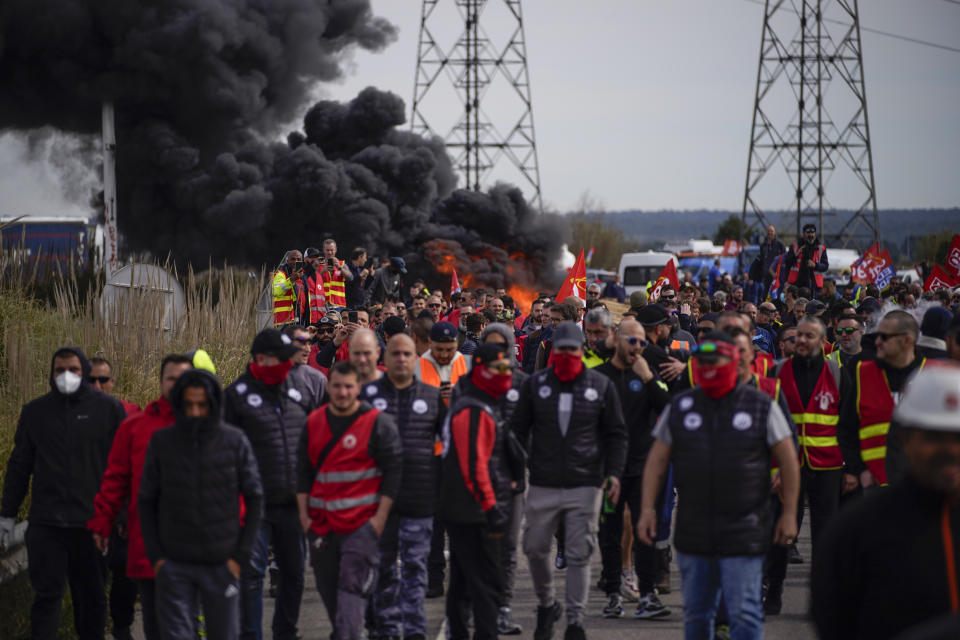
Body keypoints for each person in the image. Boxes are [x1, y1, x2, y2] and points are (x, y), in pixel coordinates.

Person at [638, 333, 800, 640]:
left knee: (745, 612)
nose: (710, 366)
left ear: (735, 362)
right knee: (698, 614)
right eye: (704, 361)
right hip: (694, 531)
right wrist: (647, 509)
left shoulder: (761, 405)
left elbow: (788, 460)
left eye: (717, 360)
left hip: (745, 528)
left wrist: (789, 513)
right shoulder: (682, 406)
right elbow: (656, 462)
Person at [812, 365, 960, 640]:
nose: (950, 450)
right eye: (934, 437)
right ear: (904, 439)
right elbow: (833, 619)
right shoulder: (855, 530)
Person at [510, 321, 628, 639]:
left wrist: (612, 473)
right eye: (561, 350)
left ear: (581, 350)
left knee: (579, 553)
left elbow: (616, 434)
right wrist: (527, 459)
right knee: (534, 548)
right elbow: (517, 430)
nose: (566, 355)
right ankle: (547, 604)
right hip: (544, 482)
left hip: (584, 484)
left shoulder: (600, 385)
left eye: (572, 350)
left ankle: (575, 621)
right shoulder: (536, 386)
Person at [0, 347, 126, 640]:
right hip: (47, 524)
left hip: (92, 526)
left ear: (83, 372)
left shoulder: (108, 411)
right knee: (47, 597)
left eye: (74, 370)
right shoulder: (36, 413)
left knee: (92, 599)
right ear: (51, 373)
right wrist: (7, 514)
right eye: (60, 370)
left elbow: (122, 468)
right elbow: (20, 466)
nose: (66, 376)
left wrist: (119, 517)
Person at [139, 369, 264, 640]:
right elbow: (146, 500)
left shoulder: (234, 441)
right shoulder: (162, 443)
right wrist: (157, 558)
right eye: (188, 405)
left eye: (202, 404)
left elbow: (255, 498)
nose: (195, 412)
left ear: (213, 405)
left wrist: (239, 557)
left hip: (222, 564)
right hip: (175, 564)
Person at [88, 354, 195, 640]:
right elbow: (115, 479)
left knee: (188, 622)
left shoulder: (211, 427)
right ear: (160, 383)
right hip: (150, 545)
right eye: (171, 378)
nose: (177, 384)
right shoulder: (135, 427)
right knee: (156, 625)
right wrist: (103, 521)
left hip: (199, 544)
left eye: (183, 378)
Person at [295, 362, 402, 640]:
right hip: (321, 530)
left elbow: (393, 473)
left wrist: (379, 520)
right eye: (337, 386)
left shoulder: (378, 423)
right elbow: (303, 472)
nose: (342, 392)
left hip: (361, 528)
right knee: (331, 595)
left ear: (359, 388)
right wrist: (305, 518)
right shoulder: (314, 422)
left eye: (348, 386)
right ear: (328, 387)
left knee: (351, 591)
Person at [224, 329, 318, 640]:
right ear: (260, 359)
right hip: (255, 503)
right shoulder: (236, 396)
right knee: (251, 574)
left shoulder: (297, 386)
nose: (288, 363)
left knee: (293, 574)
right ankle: (250, 634)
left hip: (292, 500)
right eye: (281, 358)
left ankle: (285, 632)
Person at [362, 335, 445, 640]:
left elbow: (447, 447)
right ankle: (385, 630)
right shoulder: (367, 395)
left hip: (419, 500)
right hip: (377, 503)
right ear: (385, 358)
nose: (400, 359)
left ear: (416, 359)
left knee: (414, 571)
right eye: (395, 353)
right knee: (382, 570)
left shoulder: (432, 397)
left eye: (407, 354)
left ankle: (414, 631)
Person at [451, 323, 529, 634]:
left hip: (510, 482)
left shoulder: (522, 383)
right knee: (470, 553)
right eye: (490, 349)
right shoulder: (465, 389)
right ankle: (470, 608)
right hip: (475, 487)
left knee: (508, 548)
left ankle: (503, 607)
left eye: (502, 348)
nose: (498, 355)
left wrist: (519, 465)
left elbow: (529, 431)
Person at [594, 319, 671, 620]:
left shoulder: (648, 373)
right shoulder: (599, 376)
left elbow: (668, 408)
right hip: (609, 470)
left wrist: (649, 378)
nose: (638, 348)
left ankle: (648, 595)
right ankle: (613, 594)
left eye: (642, 343)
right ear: (616, 339)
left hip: (642, 468)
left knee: (645, 533)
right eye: (632, 342)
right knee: (610, 534)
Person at [440, 343, 515, 640]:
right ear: (482, 369)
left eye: (509, 368)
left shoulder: (480, 403)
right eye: (500, 368)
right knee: (486, 584)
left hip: (467, 508)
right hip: (472, 512)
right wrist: (491, 508)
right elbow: (474, 467)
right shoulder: (472, 409)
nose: (506, 374)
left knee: (462, 580)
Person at [838, 310, 925, 491]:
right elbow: (847, 428)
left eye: (884, 337)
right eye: (877, 336)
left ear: (907, 340)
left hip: (923, 485)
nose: (876, 342)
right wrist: (858, 470)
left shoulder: (931, 375)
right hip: (875, 484)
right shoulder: (864, 373)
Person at [415, 321, 469, 404]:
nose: (444, 355)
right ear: (430, 342)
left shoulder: (468, 364)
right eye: (439, 349)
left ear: (457, 344)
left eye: (449, 350)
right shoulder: (416, 366)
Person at [282, 324, 328, 407]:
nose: (308, 349)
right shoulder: (268, 375)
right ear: (287, 342)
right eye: (302, 342)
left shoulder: (317, 379)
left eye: (309, 343)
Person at [780, 223, 829, 300]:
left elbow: (825, 266)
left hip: (814, 284)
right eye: (808, 232)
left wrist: (815, 265)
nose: (810, 235)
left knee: (812, 306)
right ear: (803, 234)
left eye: (812, 232)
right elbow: (787, 263)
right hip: (796, 283)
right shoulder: (794, 246)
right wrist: (796, 254)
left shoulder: (821, 248)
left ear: (815, 234)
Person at [273, 250, 308, 326]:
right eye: (293, 259)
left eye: (298, 259)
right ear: (287, 261)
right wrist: (292, 280)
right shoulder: (280, 274)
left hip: (300, 320)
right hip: (284, 321)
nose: (295, 261)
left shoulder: (303, 277)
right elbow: (276, 292)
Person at [319, 238, 353, 312]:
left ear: (336, 250)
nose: (330, 252)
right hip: (323, 304)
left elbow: (350, 278)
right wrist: (324, 270)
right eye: (327, 250)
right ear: (323, 250)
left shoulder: (341, 264)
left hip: (339, 304)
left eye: (332, 250)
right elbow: (313, 279)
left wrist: (339, 268)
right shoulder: (319, 265)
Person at [756, 225, 786, 298]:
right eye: (768, 231)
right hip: (766, 274)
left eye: (772, 231)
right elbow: (761, 259)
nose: (770, 233)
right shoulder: (763, 245)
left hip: (776, 275)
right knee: (766, 294)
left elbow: (784, 258)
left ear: (774, 232)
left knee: (776, 293)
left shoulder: (780, 245)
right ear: (766, 232)